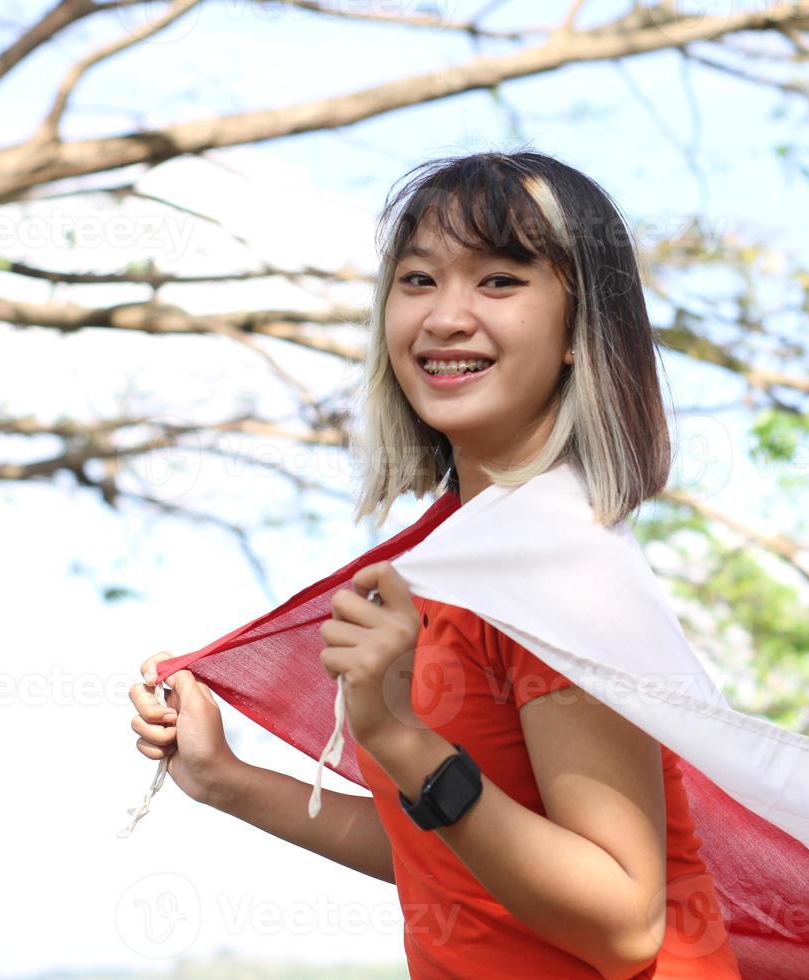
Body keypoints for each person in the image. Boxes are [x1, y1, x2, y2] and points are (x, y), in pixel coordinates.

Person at [130, 149, 744, 978]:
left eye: (499, 281)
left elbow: (625, 919)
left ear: (578, 330)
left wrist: (397, 735)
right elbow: (449, 852)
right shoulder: (456, 556)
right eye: (418, 280)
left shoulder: (553, 564)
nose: (445, 317)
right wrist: (227, 780)